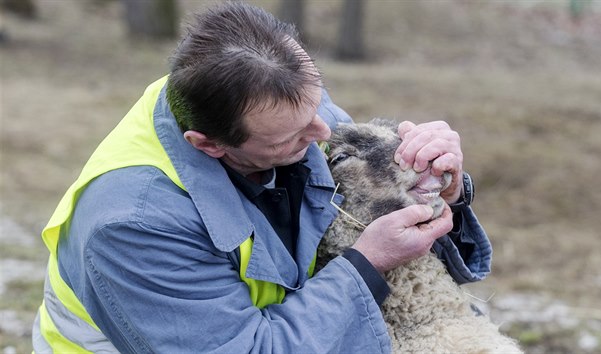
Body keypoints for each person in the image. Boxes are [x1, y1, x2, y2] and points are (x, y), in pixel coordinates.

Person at [32, 2, 491, 353]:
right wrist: (366, 264)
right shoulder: (133, 226)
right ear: (209, 145)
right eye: (292, 136)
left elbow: (348, 211)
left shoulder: (269, 95)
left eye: (317, 105)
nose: (324, 134)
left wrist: (439, 188)